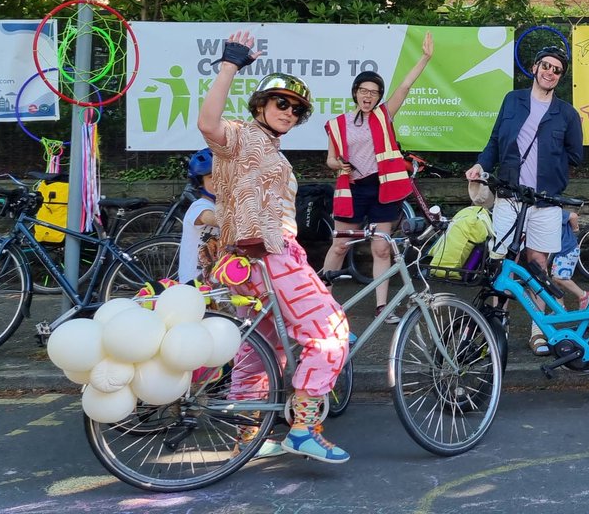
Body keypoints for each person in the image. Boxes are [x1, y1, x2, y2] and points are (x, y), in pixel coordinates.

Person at [198, 30, 351, 464]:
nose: (289, 111)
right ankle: (302, 429)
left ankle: (248, 436)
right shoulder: (242, 136)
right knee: (330, 332)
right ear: (261, 106)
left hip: (250, 261)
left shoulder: (276, 153)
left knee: (263, 346)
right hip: (267, 254)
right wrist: (230, 63)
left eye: (296, 108)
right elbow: (208, 123)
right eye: (280, 102)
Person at [465, 45, 584, 356]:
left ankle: (538, 330)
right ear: (534, 67)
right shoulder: (513, 100)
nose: (550, 72)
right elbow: (494, 141)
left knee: (538, 265)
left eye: (557, 69)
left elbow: (576, 155)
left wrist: (550, 166)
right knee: (501, 261)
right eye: (546, 65)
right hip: (510, 196)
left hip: (546, 201)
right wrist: (481, 165)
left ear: (561, 77)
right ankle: (496, 327)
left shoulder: (567, 114)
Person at [321, 33, 434, 317]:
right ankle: (321, 305)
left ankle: (382, 306)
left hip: (383, 190)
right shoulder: (338, 124)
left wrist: (425, 58)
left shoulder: (384, 115)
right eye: (363, 90)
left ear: (379, 96)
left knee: (382, 249)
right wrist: (339, 165)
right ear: (355, 92)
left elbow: (405, 87)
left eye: (374, 92)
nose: (368, 95)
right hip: (353, 189)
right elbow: (330, 159)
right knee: (339, 245)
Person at [177, 148, 219, 285]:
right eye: (212, 177)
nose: (219, 182)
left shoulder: (221, 205)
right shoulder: (200, 206)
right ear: (200, 182)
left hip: (213, 282)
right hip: (193, 284)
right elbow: (211, 219)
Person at [550, 209, 589, 310]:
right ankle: (560, 307)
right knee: (556, 281)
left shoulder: (555, 211)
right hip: (562, 251)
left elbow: (573, 216)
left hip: (568, 249)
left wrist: (575, 228)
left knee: (559, 278)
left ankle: (583, 295)